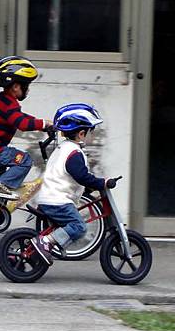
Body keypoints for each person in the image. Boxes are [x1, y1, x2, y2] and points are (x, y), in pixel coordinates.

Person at [31, 103, 119, 266]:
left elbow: (69, 176)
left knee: (72, 225)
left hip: (50, 198)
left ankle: (48, 244)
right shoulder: (74, 153)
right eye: (91, 132)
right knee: (79, 227)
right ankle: (46, 242)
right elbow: (81, 176)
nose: (92, 136)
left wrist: (91, 185)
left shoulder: (62, 148)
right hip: (58, 201)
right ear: (81, 133)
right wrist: (102, 182)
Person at [0, 56, 53, 200]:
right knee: (25, 160)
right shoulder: (9, 104)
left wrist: (42, 125)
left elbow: (20, 117)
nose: (27, 90)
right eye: (26, 85)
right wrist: (43, 124)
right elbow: (22, 124)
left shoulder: (5, 100)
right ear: (16, 86)